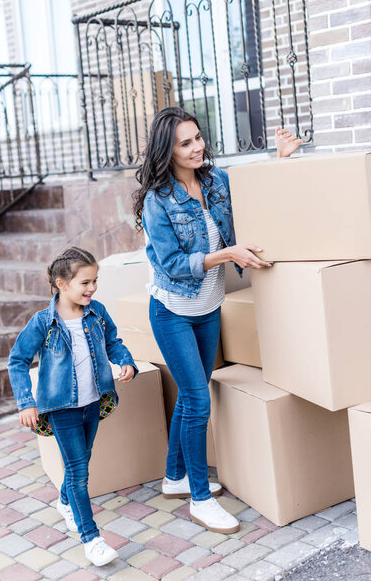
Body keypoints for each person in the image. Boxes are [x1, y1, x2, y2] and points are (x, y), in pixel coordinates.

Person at [133, 107, 301, 534]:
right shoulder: (158, 200)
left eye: (198, 138)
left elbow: (251, 191)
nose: (197, 148)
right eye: (185, 143)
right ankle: (199, 499)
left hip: (207, 309)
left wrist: (278, 159)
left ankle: (175, 478)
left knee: (192, 397)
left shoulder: (214, 180)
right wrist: (228, 255)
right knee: (198, 398)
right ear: (167, 151)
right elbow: (171, 263)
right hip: (172, 310)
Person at [7, 247, 137, 566]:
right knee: (78, 471)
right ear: (62, 284)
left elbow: (112, 342)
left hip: (93, 402)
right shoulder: (43, 322)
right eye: (84, 283)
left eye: (95, 281)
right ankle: (91, 539)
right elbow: (17, 360)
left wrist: (126, 361)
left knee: (81, 462)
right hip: (62, 408)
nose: (92, 288)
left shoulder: (97, 312)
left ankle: (65, 502)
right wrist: (26, 402)